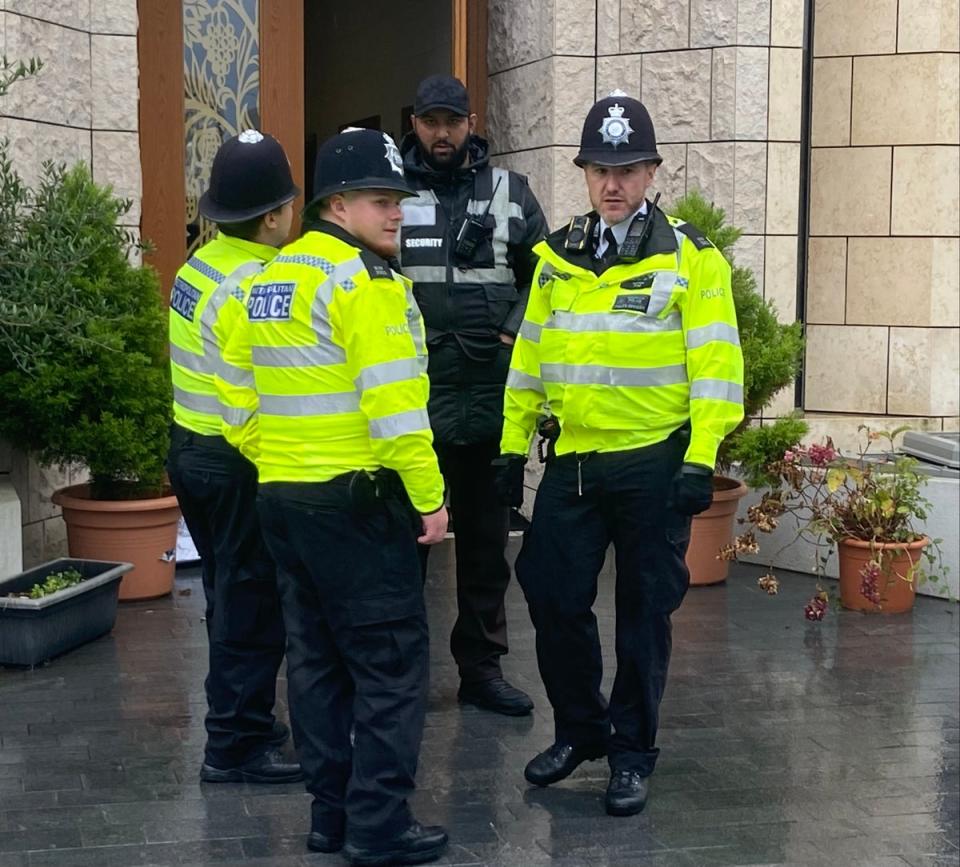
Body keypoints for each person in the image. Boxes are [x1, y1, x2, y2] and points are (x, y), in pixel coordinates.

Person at [495, 91, 745, 816]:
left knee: (643, 613)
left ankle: (632, 751)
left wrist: (701, 456)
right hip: (573, 462)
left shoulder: (689, 258)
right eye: (600, 169)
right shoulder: (558, 255)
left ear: (652, 172)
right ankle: (582, 728)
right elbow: (529, 362)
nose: (613, 185)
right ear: (583, 173)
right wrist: (513, 449)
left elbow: (716, 367)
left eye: (628, 169)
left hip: (652, 464)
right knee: (548, 590)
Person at [232, 126, 449, 866]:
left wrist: (275, 457)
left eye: (399, 200)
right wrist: (429, 498)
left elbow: (234, 387)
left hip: (284, 500)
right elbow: (394, 410)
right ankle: (379, 824)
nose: (396, 214)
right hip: (358, 503)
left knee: (315, 661)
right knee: (389, 666)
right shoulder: (365, 283)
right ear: (338, 202)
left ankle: (330, 815)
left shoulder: (271, 277)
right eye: (382, 200)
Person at [399, 74, 548, 716]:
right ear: (414, 123)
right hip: (414, 408)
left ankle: (482, 672)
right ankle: (398, 676)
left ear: (472, 122)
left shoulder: (511, 195)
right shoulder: (393, 196)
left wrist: (513, 330)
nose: (440, 134)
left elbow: (544, 277)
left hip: (490, 403)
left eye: (451, 122)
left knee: (487, 550)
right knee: (406, 550)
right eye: (430, 122)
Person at [166, 129, 303, 785]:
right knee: (252, 600)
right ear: (274, 215)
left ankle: (240, 715)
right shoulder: (253, 286)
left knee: (227, 592)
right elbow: (246, 398)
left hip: (190, 454)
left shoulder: (198, 266)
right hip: (234, 459)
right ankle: (236, 744)